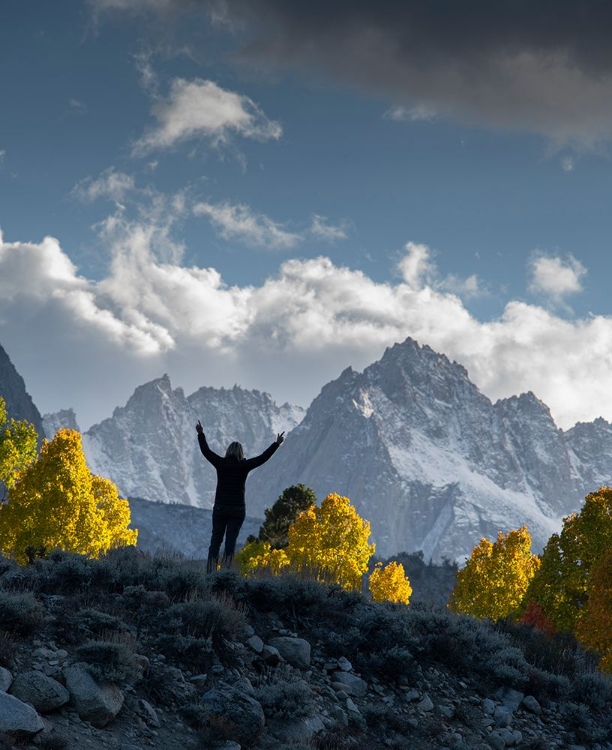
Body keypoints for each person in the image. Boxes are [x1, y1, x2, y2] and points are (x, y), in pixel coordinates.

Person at [196, 420, 284, 573]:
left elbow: (206, 451)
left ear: (228, 451)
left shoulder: (221, 463)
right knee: (230, 542)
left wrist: (201, 434)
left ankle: (210, 573)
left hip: (220, 507)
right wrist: (276, 444)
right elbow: (262, 458)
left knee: (215, 540)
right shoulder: (244, 466)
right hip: (237, 509)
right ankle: (226, 573)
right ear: (241, 453)